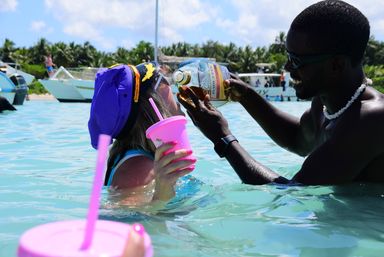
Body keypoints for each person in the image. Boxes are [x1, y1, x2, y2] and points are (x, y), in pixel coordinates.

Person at [177, 0, 384, 185]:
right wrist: (247, 96)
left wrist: (222, 138)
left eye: (296, 60)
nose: (286, 67)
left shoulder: (371, 120)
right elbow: (297, 140)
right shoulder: (323, 103)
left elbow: (290, 192)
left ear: (336, 65)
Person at [88, 62, 196, 204]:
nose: (176, 92)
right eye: (165, 81)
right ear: (153, 104)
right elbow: (122, 218)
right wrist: (161, 197)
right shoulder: (139, 167)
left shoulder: (139, 159)